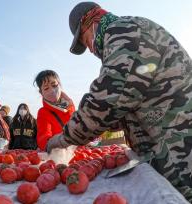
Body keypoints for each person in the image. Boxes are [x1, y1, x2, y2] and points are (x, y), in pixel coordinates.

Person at [46, 2, 192, 201]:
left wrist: (62, 140)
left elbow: (106, 103)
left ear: (91, 22)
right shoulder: (128, 30)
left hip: (181, 150)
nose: (89, 48)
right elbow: (126, 103)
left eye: (84, 39)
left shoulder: (123, 31)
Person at [35, 70, 75, 151]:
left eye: (54, 85)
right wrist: (65, 141)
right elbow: (44, 140)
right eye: (46, 88)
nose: (52, 91)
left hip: (79, 152)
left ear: (59, 85)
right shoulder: (43, 112)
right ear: (41, 92)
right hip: (60, 155)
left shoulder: (70, 106)